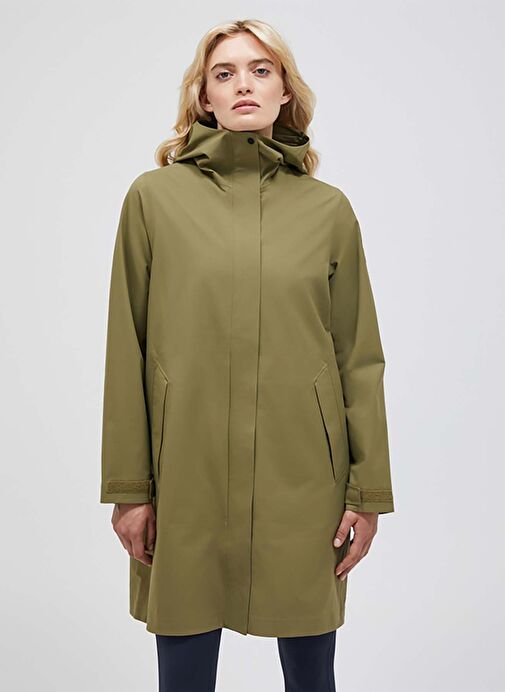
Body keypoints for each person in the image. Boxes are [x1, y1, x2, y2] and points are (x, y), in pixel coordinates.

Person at [100, 18, 395, 692]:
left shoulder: (328, 211)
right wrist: (129, 489)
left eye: (261, 70)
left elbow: (358, 356)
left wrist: (367, 490)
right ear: (203, 96)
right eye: (224, 73)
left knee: (312, 674)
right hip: (185, 474)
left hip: (304, 479)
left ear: (284, 90)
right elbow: (127, 347)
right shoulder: (153, 200)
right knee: (183, 669)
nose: (244, 85)